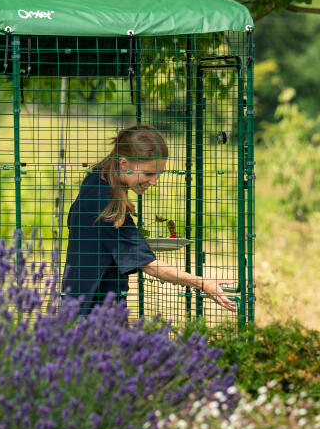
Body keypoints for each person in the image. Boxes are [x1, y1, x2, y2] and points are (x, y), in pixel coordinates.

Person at [61, 124, 236, 316]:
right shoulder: (107, 207)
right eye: (148, 173)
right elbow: (150, 266)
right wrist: (203, 284)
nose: (154, 182)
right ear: (124, 164)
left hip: (80, 302)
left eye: (158, 174)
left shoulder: (97, 178)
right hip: (95, 313)